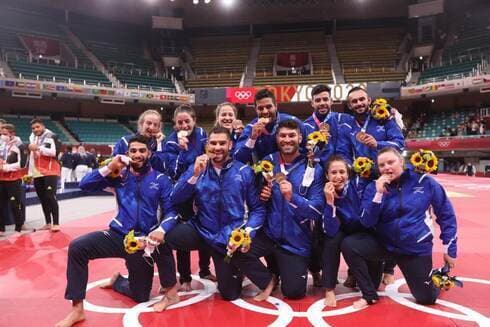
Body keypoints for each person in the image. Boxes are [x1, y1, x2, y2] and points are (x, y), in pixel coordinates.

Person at [55, 135, 179, 327]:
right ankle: (77, 309)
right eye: (133, 151)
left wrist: (161, 230)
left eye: (142, 151)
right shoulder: (118, 175)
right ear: (127, 153)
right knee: (78, 247)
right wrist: (110, 166)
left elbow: (172, 210)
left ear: (149, 153)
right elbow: (85, 185)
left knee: (141, 295)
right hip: (118, 235)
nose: (137, 155)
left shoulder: (161, 179)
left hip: (144, 242)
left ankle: (118, 281)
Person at [161, 127, 275, 303]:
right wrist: (194, 176)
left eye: (222, 143)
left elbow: (258, 210)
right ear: (207, 146)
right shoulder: (197, 167)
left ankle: (264, 278)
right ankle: (169, 288)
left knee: (229, 294)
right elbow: (175, 198)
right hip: (201, 229)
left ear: (230, 145)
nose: (217, 147)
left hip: (229, 236)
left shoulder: (244, 171)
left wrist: (247, 232)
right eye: (213, 143)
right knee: (164, 237)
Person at [341, 147, 458, 309]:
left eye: (391, 162)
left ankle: (439, 276)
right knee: (349, 244)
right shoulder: (373, 188)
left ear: (401, 162)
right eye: (382, 165)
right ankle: (369, 294)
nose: (387, 167)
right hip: (385, 245)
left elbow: (446, 215)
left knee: (426, 298)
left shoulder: (424, 182)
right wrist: (378, 194)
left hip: (413, 248)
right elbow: (367, 222)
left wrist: (449, 248)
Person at [252, 119, 325, 299]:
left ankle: (300, 267)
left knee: (294, 292)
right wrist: (262, 196)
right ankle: (269, 278)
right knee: (236, 249)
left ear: (300, 138)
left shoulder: (313, 167)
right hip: (269, 234)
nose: (287, 140)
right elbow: (252, 199)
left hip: (295, 240)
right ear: (277, 138)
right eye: (283, 136)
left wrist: (293, 198)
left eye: (292, 135)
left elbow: (317, 210)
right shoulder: (267, 162)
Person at [162, 104, 213, 290]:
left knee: (206, 228)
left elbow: (210, 156)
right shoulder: (170, 142)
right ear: (175, 124)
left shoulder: (202, 134)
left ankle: (205, 269)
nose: (184, 125)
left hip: (202, 190)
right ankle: (184, 278)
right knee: (182, 233)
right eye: (180, 122)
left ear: (194, 121)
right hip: (182, 191)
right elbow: (173, 171)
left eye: (187, 121)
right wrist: (182, 151)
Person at [234, 88, 307, 164]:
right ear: (255, 109)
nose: (265, 111)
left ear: (275, 106)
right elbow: (238, 158)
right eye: (260, 108)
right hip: (263, 173)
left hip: (293, 170)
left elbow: (307, 149)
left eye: (269, 107)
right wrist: (252, 138)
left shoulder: (294, 122)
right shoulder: (251, 128)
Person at [338, 87, 405, 165]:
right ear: (349, 106)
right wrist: (352, 168)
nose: (359, 103)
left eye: (362, 99)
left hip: (386, 170)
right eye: (354, 101)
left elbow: (400, 145)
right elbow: (343, 153)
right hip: (363, 173)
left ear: (369, 100)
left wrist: (377, 144)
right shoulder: (347, 126)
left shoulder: (384, 117)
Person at [303, 84, 353, 165]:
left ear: (331, 101)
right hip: (317, 171)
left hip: (342, 170)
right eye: (318, 100)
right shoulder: (305, 126)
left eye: (325, 99)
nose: (322, 103)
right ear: (312, 103)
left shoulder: (344, 120)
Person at [28, 119, 61, 232]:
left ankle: (56, 223)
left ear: (42, 126)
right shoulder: (33, 137)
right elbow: (32, 156)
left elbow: (53, 152)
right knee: (42, 198)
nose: (35, 130)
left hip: (50, 170)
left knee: (50, 196)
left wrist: (38, 148)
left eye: (37, 127)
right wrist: (30, 172)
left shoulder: (50, 135)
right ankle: (48, 223)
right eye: (33, 128)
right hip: (37, 171)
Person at [0, 124, 27, 235]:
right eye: (1, 134)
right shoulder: (1, 145)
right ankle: (1, 228)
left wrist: (6, 168)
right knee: (0, 205)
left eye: (5, 134)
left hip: (13, 179)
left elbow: (22, 164)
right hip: (1, 179)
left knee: (14, 204)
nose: (2, 136)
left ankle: (18, 227)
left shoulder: (20, 145)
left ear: (12, 134)